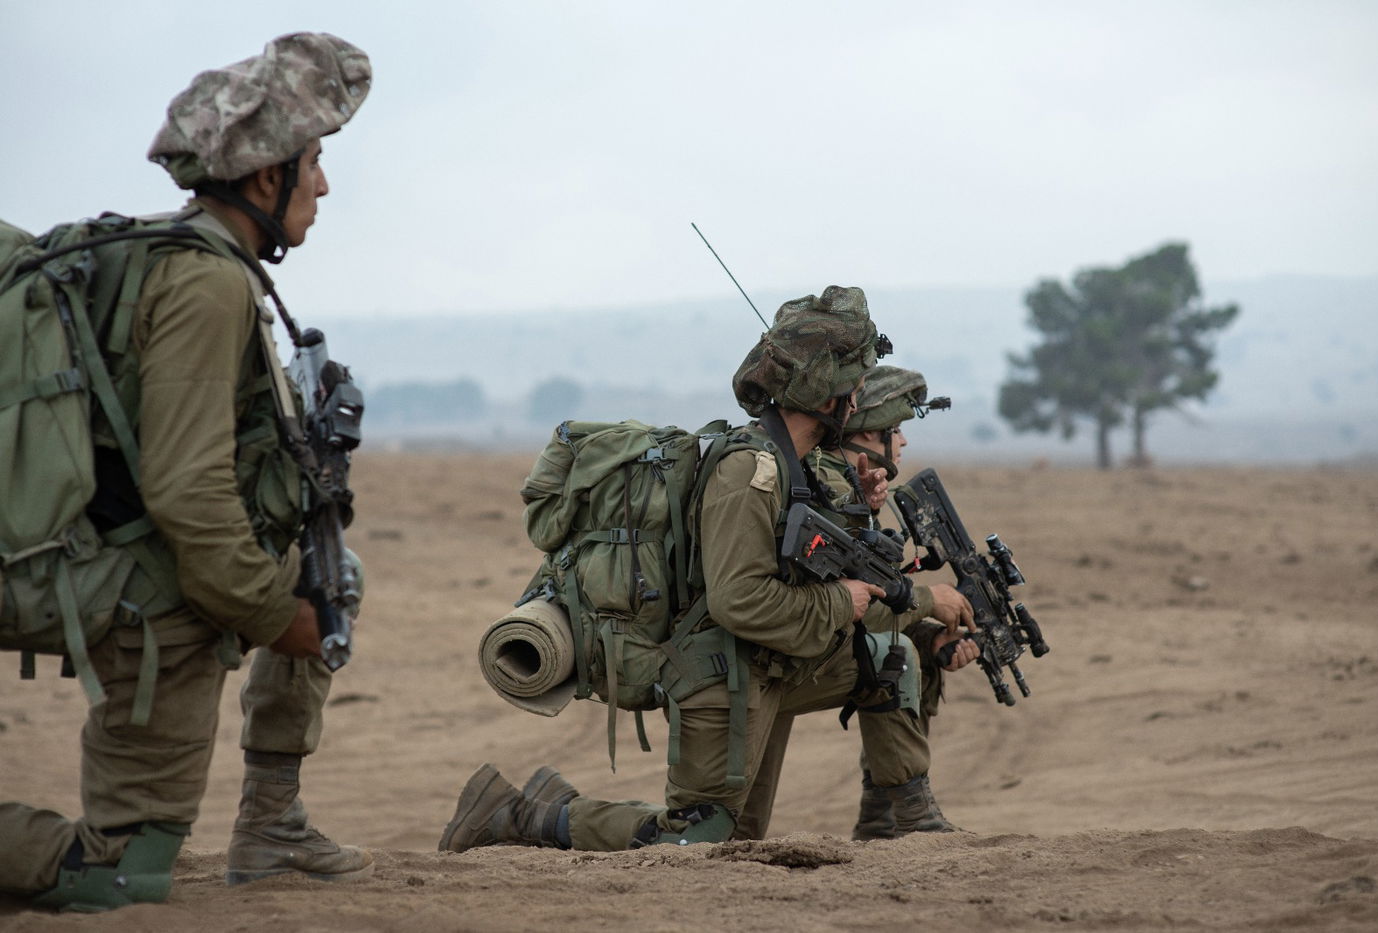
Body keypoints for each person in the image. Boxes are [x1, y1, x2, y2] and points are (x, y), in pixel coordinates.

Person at [0, 33, 372, 910]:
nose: (323, 183)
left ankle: (273, 823)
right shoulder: (207, 284)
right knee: (117, 876)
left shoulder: (181, 261)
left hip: (94, 560)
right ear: (261, 177)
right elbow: (189, 497)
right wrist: (280, 617)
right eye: (311, 161)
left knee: (336, 575)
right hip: (113, 589)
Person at [439, 286, 956, 852]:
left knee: (886, 660)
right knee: (703, 839)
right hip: (719, 677)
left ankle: (901, 822)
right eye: (853, 389)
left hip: (769, 665)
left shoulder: (794, 466)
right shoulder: (751, 470)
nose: (859, 402)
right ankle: (517, 814)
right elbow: (740, 600)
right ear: (826, 396)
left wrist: (861, 517)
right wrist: (843, 602)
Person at [737, 365, 979, 842]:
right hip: (758, 663)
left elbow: (853, 608)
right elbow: (853, 603)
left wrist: (930, 639)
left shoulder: (836, 480)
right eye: (897, 430)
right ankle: (557, 815)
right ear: (868, 431)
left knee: (735, 833)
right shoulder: (822, 481)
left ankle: (886, 816)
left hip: (779, 654)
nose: (904, 442)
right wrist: (930, 600)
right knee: (720, 833)